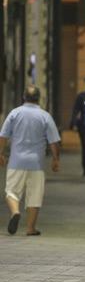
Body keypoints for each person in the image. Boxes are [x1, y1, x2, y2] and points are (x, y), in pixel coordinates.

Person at [1, 86, 61, 236]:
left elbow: (3, 136)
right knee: (35, 196)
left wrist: (0, 153)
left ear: (24, 97)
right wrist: (55, 159)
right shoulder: (45, 116)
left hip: (16, 161)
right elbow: (54, 142)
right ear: (39, 98)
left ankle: (15, 212)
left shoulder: (14, 113)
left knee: (11, 192)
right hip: (36, 164)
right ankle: (30, 228)